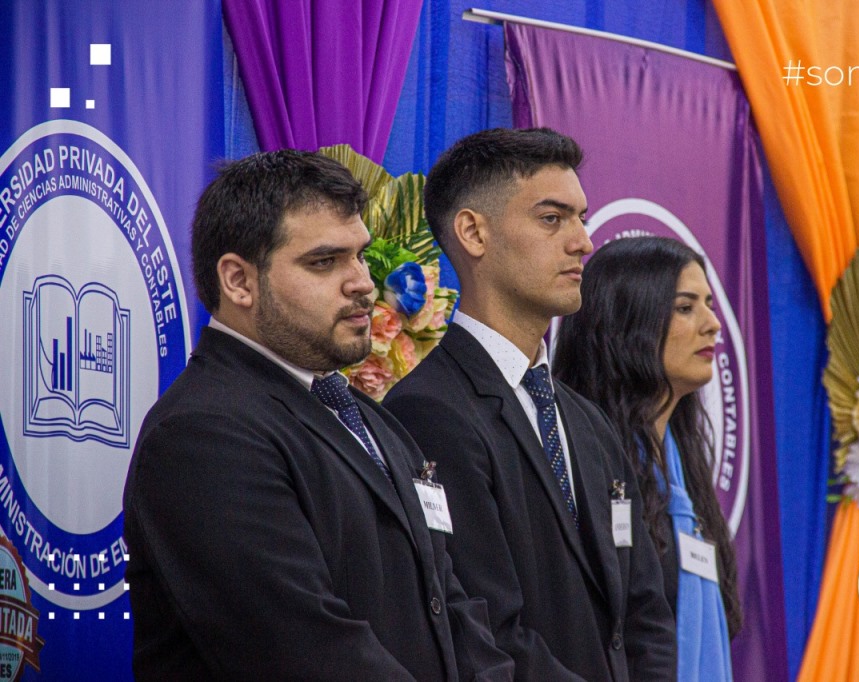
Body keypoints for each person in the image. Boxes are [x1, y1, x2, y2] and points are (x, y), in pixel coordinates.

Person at [122, 150, 513, 681]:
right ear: (238, 281)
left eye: (360, 256)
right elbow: (306, 652)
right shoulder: (202, 435)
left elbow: (455, 609)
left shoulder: (369, 420)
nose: (363, 284)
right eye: (324, 262)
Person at [383, 128, 675, 681]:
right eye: (552, 218)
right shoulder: (427, 410)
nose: (583, 241)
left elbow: (644, 611)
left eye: (581, 217)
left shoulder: (585, 420)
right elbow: (487, 627)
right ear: (473, 232)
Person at [553, 236, 742, 681]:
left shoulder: (680, 469)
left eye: (710, 304)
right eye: (685, 307)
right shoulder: (582, 460)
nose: (714, 324)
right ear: (627, 320)